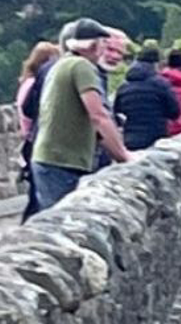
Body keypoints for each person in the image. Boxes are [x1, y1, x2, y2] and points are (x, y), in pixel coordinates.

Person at [31, 17, 134, 211]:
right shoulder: (82, 67)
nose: (105, 50)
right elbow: (98, 116)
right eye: (104, 43)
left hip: (49, 158)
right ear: (93, 45)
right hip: (63, 162)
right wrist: (124, 156)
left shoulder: (63, 64)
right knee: (65, 221)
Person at [15, 40, 59, 222]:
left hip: (31, 141)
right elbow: (28, 113)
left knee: (35, 195)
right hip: (37, 141)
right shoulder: (36, 84)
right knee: (37, 198)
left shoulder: (27, 82)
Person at [113, 46, 181, 151]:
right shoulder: (161, 84)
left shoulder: (124, 87)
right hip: (157, 139)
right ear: (156, 63)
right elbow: (175, 112)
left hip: (130, 141)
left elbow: (116, 113)